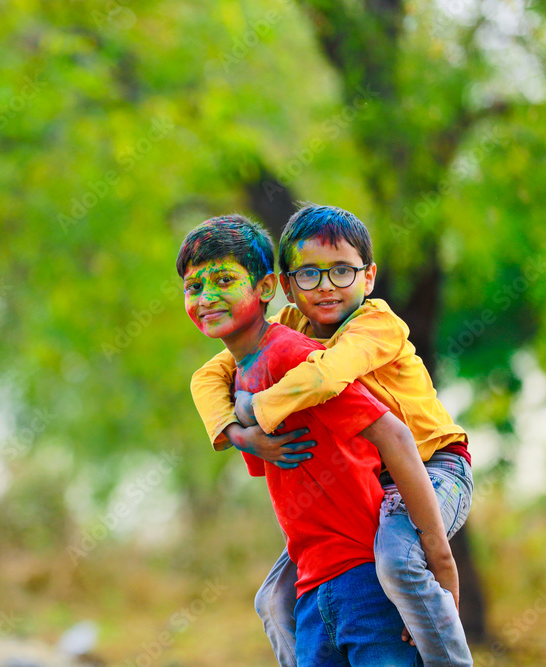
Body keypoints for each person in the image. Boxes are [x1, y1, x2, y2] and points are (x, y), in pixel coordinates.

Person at [191, 204, 473, 666]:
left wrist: (254, 409)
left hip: (435, 467)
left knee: (399, 562)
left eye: (342, 271)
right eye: (308, 275)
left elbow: (329, 377)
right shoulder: (288, 328)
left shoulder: (377, 324)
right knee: (274, 600)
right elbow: (207, 377)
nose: (325, 286)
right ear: (285, 286)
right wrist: (240, 436)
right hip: (372, 485)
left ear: (369, 277)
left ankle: (450, 657)